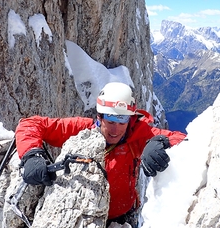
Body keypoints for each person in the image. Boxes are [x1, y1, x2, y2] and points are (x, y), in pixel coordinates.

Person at [15, 82, 186, 227]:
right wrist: (31, 155)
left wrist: (159, 142)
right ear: (100, 117)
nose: (115, 130)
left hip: (122, 218)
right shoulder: (82, 130)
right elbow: (31, 124)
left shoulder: (137, 135)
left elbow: (184, 139)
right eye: (110, 121)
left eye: (122, 121)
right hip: (81, 215)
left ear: (130, 119)